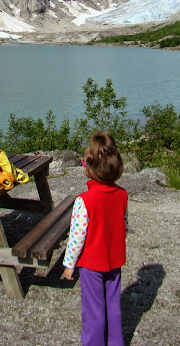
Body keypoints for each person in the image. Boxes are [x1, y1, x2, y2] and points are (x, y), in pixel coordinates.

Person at [63, 132, 128, 346]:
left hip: (91, 264)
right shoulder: (122, 195)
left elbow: (77, 237)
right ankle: (115, 342)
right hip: (114, 260)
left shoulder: (84, 201)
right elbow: (124, 226)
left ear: (89, 168)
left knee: (94, 310)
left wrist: (69, 264)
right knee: (113, 305)